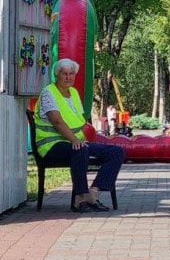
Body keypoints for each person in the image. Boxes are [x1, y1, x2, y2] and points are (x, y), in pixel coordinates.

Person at [34, 59, 125, 213]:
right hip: (51, 146)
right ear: (57, 75)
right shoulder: (48, 93)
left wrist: (84, 140)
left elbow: (80, 122)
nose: (69, 77)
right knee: (80, 150)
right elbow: (57, 121)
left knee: (117, 152)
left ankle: (93, 193)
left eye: (72, 74)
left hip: (74, 142)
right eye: (65, 74)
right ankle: (79, 197)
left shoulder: (74, 93)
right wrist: (75, 140)